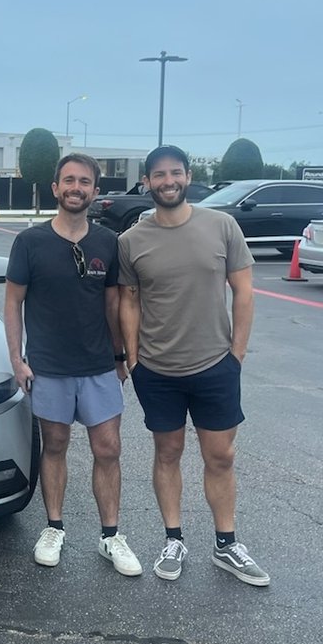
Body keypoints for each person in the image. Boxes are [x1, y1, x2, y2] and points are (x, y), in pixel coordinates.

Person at [118, 144, 269, 586]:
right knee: (168, 452)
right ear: (147, 182)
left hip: (215, 366)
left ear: (187, 176)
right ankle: (173, 539)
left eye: (176, 173)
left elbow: (243, 292)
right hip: (157, 370)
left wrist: (236, 355)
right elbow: (128, 302)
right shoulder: (132, 241)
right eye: (159, 175)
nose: (168, 181)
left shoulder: (222, 226)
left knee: (219, 456)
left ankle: (227, 545)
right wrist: (134, 358)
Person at [4, 153, 142, 576]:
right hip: (48, 366)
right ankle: (54, 528)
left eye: (84, 182)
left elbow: (114, 302)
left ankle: (111, 536)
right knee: (56, 446)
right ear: (56, 188)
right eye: (69, 181)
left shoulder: (107, 242)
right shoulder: (30, 242)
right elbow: (13, 302)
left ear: (95, 191)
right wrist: (17, 359)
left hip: (98, 365)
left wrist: (120, 357)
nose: (76, 188)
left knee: (108, 448)